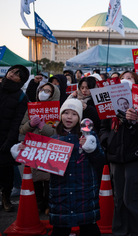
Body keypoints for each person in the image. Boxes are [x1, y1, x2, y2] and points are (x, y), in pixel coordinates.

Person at [11, 99, 106, 236]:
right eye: (66, 113)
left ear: (79, 117)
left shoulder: (88, 136)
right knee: (60, 230)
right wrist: (24, 151)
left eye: (74, 114)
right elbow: (43, 165)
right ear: (60, 115)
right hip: (60, 193)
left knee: (89, 229)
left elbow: (101, 160)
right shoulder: (53, 138)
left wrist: (92, 148)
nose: (69, 117)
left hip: (84, 192)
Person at [100, 71, 138, 236]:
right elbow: (103, 128)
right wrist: (107, 141)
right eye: (123, 78)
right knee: (119, 200)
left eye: (130, 78)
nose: (125, 80)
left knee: (132, 199)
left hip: (134, 158)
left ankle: (137, 232)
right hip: (115, 158)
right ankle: (120, 231)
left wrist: (133, 122)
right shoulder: (109, 102)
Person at [19, 82, 60, 214]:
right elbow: (21, 129)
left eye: (48, 91)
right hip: (34, 146)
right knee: (35, 177)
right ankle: (39, 203)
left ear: (54, 94)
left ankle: (49, 204)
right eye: (42, 89)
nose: (43, 92)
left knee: (49, 179)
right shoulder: (31, 108)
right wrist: (30, 124)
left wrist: (44, 127)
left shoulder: (59, 109)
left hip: (50, 147)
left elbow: (58, 132)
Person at [0, 65, 29, 212]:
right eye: (11, 71)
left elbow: (16, 121)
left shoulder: (22, 97)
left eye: (17, 74)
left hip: (6, 138)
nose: (12, 74)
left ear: (21, 80)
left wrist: (10, 140)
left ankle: (6, 197)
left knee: (6, 170)